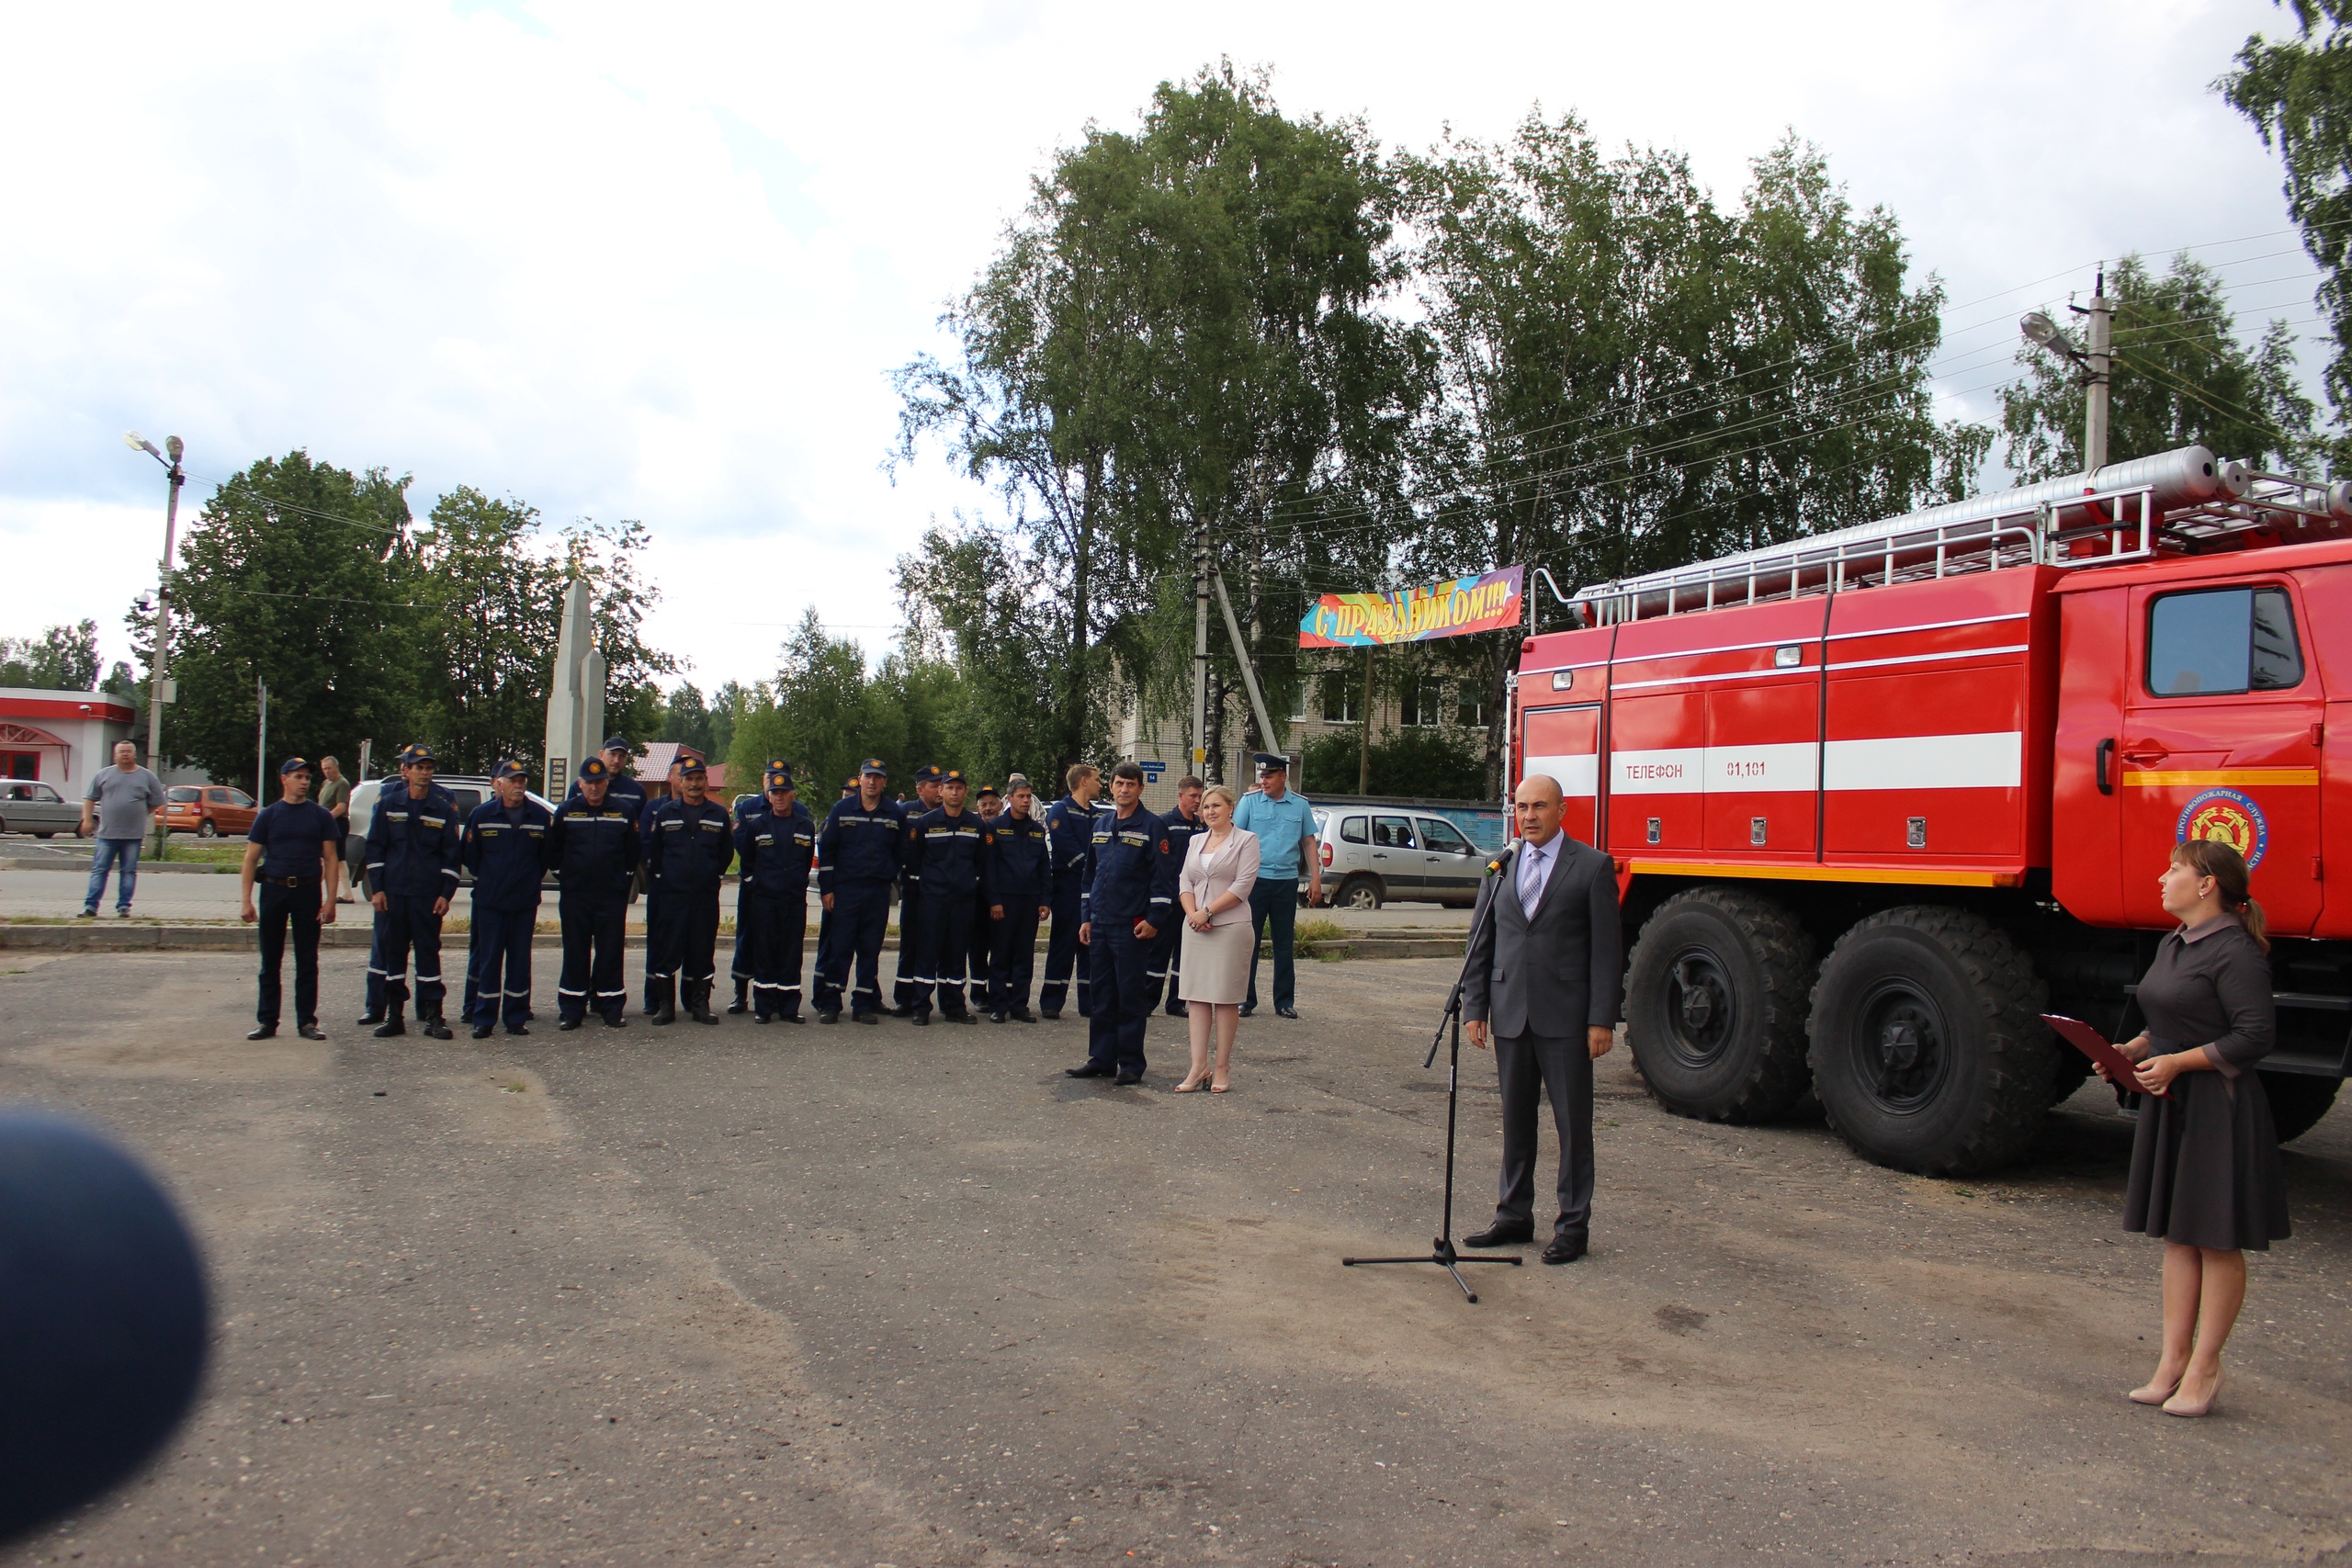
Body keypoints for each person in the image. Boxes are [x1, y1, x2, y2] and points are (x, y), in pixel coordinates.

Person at [2098, 838, 2290, 1417]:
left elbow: (2254, 1037)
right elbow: (2168, 1021)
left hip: (2218, 1106)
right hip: (2173, 1100)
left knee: (2216, 1236)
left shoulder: (2236, 953)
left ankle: (2205, 1370)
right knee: (2180, 1235)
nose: (2163, 877)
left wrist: (2180, 1063)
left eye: (2175, 869)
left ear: (2207, 884)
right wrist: (2127, 1049)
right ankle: (2171, 1363)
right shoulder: (2173, 943)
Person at [1461, 773, 1622, 1266]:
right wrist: (1475, 1007)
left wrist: (1602, 1020)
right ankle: (1514, 1215)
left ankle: (1573, 1226)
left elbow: (1606, 952)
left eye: (1539, 807)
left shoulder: (1592, 867)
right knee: (1516, 1121)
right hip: (1510, 1014)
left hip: (1567, 1018)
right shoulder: (1500, 866)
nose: (1528, 815)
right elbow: (1480, 943)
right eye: (1521, 806)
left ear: (1561, 811)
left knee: (1573, 1125)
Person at [1065, 761, 1170, 1086]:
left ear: (1141, 789)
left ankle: (1131, 1064)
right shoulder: (1101, 825)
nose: (1124, 789)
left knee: (1130, 996)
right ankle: (1101, 1059)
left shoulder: (1152, 827)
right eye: (1119, 783)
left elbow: (1163, 881)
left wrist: (1154, 920)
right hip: (1100, 924)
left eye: (1131, 784)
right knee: (1102, 994)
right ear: (1110, 786)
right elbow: (1089, 879)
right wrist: (1086, 919)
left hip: (1132, 926)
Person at [363, 745, 462, 1040]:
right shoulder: (389, 804)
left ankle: (434, 1016)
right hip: (394, 896)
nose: (424, 773)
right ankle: (395, 1015)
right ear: (407, 770)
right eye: (419, 767)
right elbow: (375, 848)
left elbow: (451, 857)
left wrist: (446, 893)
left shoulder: (443, 809)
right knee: (394, 956)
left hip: (427, 898)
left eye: (429, 768)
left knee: (429, 955)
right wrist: (377, 889)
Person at [238, 758, 340, 1040]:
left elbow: (330, 859)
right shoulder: (269, 815)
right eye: (298, 776)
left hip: (307, 892)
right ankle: (267, 1021)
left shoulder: (320, 816)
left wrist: (330, 901)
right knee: (270, 960)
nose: (305, 781)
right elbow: (250, 858)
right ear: (284, 779)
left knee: (307, 960)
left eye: (307, 776)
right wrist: (246, 901)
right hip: (274, 890)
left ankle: (307, 1021)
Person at [1174, 784, 1259, 1093]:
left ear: (1230, 808)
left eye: (1216, 806)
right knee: (1196, 996)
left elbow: (1242, 886)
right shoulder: (1196, 841)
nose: (1210, 811)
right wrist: (1193, 913)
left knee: (1224, 998)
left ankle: (1222, 1066)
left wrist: (1207, 911)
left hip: (1230, 926)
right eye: (1206, 806)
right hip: (1196, 926)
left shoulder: (1246, 840)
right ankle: (1198, 1066)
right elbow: (1185, 880)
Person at [459, 761, 551, 1040]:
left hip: (523, 902)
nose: (519, 785)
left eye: (522, 780)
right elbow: (470, 856)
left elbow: (545, 856)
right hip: (491, 901)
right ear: (500, 784)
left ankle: (515, 1017)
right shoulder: (482, 814)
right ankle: (484, 1018)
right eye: (513, 780)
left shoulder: (538, 816)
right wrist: (490, 879)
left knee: (520, 962)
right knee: (489, 961)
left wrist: (527, 879)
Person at [547, 756, 639, 1030]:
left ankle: (610, 1007)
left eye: (600, 782)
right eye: (589, 783)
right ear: (580, 784)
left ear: (606, 783)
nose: (595, 788)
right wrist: (565, 876)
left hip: (610, 894)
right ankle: (573, 1009)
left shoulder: (623, 811)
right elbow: (554, 850)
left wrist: (623, 880)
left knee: (610, 951)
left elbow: (632, 851)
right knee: (575, 950)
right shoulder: (566, 811)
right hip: (576, 894)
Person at [642, 755, 734, 1025]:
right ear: (679, 783)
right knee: (667, 950)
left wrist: (712, 875)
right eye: (689, 779)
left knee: (702, 951)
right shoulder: (666, 813)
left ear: (706, 781)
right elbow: (655, 852)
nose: (694, 784)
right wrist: (665, 877)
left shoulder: (717, 814)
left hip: (704, 896)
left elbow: (726, 852)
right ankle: (665, 1006)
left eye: (699, 779)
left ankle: (700, 1005)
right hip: (672, 895)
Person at [1233, 753, 1321, 1019]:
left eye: (1269, 776)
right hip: (1254, 882)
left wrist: (1316, 878)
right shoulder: (1249, 802)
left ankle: (1284, 1001)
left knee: (1284, 943)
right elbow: (1234, 840)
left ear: (1283, 777)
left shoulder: (1299, 805)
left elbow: (1308, 842)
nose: (1264, 781)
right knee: (1250, 942)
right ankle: (1244, 1000)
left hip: (1285, 882)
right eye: (1261, 776)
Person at [815, 759, 902, 1024]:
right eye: (868, 776)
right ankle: (831, 1003)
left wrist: (889, 875)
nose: (872, 781)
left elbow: (899, 852)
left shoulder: (893, 813)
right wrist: (827, 889)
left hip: (877, 891)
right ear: (860, 778)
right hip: (846, 890)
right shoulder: (842, 809)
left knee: (869, 949)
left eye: (878, 777)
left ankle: (863, 1003)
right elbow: (827, 851)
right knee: (839, 948)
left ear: (884, 781)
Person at [904, 769, 990, 1024]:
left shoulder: (975, 825)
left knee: (956, 954)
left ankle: (954, 1006)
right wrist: (926, 887)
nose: (954, 792)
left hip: (963, 901)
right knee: (927, 953)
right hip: (932, 900)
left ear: (965, 792)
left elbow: (980, 863)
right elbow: (913, 860)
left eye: (959, 788)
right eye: (949, 788)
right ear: (940, 791)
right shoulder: (925, 823)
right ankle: (921, 1006)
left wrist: (969, 884)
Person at [734, 765, 816, 1022]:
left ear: (793, 795)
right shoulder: (758, 825)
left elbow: (805, 861)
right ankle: (764, 1007)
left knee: (791, 953)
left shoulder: (805, 826)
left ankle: (789, 1007)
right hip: (765, 901)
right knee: (765, 952)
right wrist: (754, 884)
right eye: (775, 793)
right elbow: (746, 862)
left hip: (793, 900)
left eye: (784, 792)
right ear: (768, 796)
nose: (779, 797)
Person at [985, 777, 1052, 1023]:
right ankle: (998, 1005)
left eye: (1028, 797)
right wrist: (994, 901)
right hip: (1005, 901)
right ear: (1009, 798)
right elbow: (990, 868)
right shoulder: (996, 827)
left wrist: (1045, 900)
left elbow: (1044, 868)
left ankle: (1019, 1005)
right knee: (1001, 954)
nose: (1025, 801)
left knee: (1024, 955)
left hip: (1030, 901)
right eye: (1021, 796)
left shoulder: (1036, 829)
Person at [1039, 763, 1103, 1019]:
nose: (1101, 784)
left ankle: (1088, 1003)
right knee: (1064, 942)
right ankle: (1051, 1001)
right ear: (1084, 781)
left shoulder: (1099, 815)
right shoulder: (1061, 811)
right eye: (1097, 779)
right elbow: (1065, 847)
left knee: (1090, 943)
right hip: (1068, 886)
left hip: (1094, 888)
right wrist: (1093, 870)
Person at [77, 740, 166, 919]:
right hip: (107, 834)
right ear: (115, 755)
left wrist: (140, 813)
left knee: (128, 871)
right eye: (121, 752)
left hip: (133, 835)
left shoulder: (147, 776)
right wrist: (87, 820)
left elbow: (156, 801)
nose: (125, 754)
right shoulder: (103, 775)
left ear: (134, 755)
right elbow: (89, 798)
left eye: (128, 751)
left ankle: (124, 906)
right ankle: (90, 906)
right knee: (100, 870)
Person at [727, 763, 786, 1014]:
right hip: (754, 887)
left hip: (781, 890)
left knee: (778, 943)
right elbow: (741, 845)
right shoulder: (747, 808)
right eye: (769, 777)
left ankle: (775, 995)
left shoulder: (798, 810)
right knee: (747, 938)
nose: (774, 782)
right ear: (763, 780)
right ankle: (740, 994)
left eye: (779, 778)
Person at [1146, 775, 1204, 1016]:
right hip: (1171, 900)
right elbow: (1160, 864)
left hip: (1193, 902)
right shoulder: (1165, 823)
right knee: (1158, 953)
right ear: (1180, 796)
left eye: (1200, 796)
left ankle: (1177, 1002)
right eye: (1193, 796)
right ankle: (1147, 1002)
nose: (1198, 801)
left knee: (1186, 954)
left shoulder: (1202, 826)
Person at [891, 764, 946, 1014]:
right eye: (934, 786)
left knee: (937, 945)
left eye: (940, 785)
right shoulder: (906, 811)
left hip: (939, 891)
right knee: (911, 944)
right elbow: (897, 846)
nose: (939, 790)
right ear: (919, 789)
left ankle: (932, 998)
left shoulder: (948, 813)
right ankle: (904, 999)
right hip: (913, 888)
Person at [967, 784, 1003, 1011]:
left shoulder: (1006, 828)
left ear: (1000, 805)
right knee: (978, 949)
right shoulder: (973, 828)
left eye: (992, 804)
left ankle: (999, 993)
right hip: (977, 899)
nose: (988, 808)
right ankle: (979, 995)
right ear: (977, 807)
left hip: (1002, 899)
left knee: (1000, 949)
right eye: (984, 805)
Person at [314, 756, 357, 904]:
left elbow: (341, 807)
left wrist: (326, 819)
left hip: (337, 823)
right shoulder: (326, 783)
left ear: (336, 767)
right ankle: (316, 889)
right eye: (324, 769)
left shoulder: (342, 783)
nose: (327, 772)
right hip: (325, 823)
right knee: (324, 857)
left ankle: (347, 893)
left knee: (338, 858)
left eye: (329, 768)